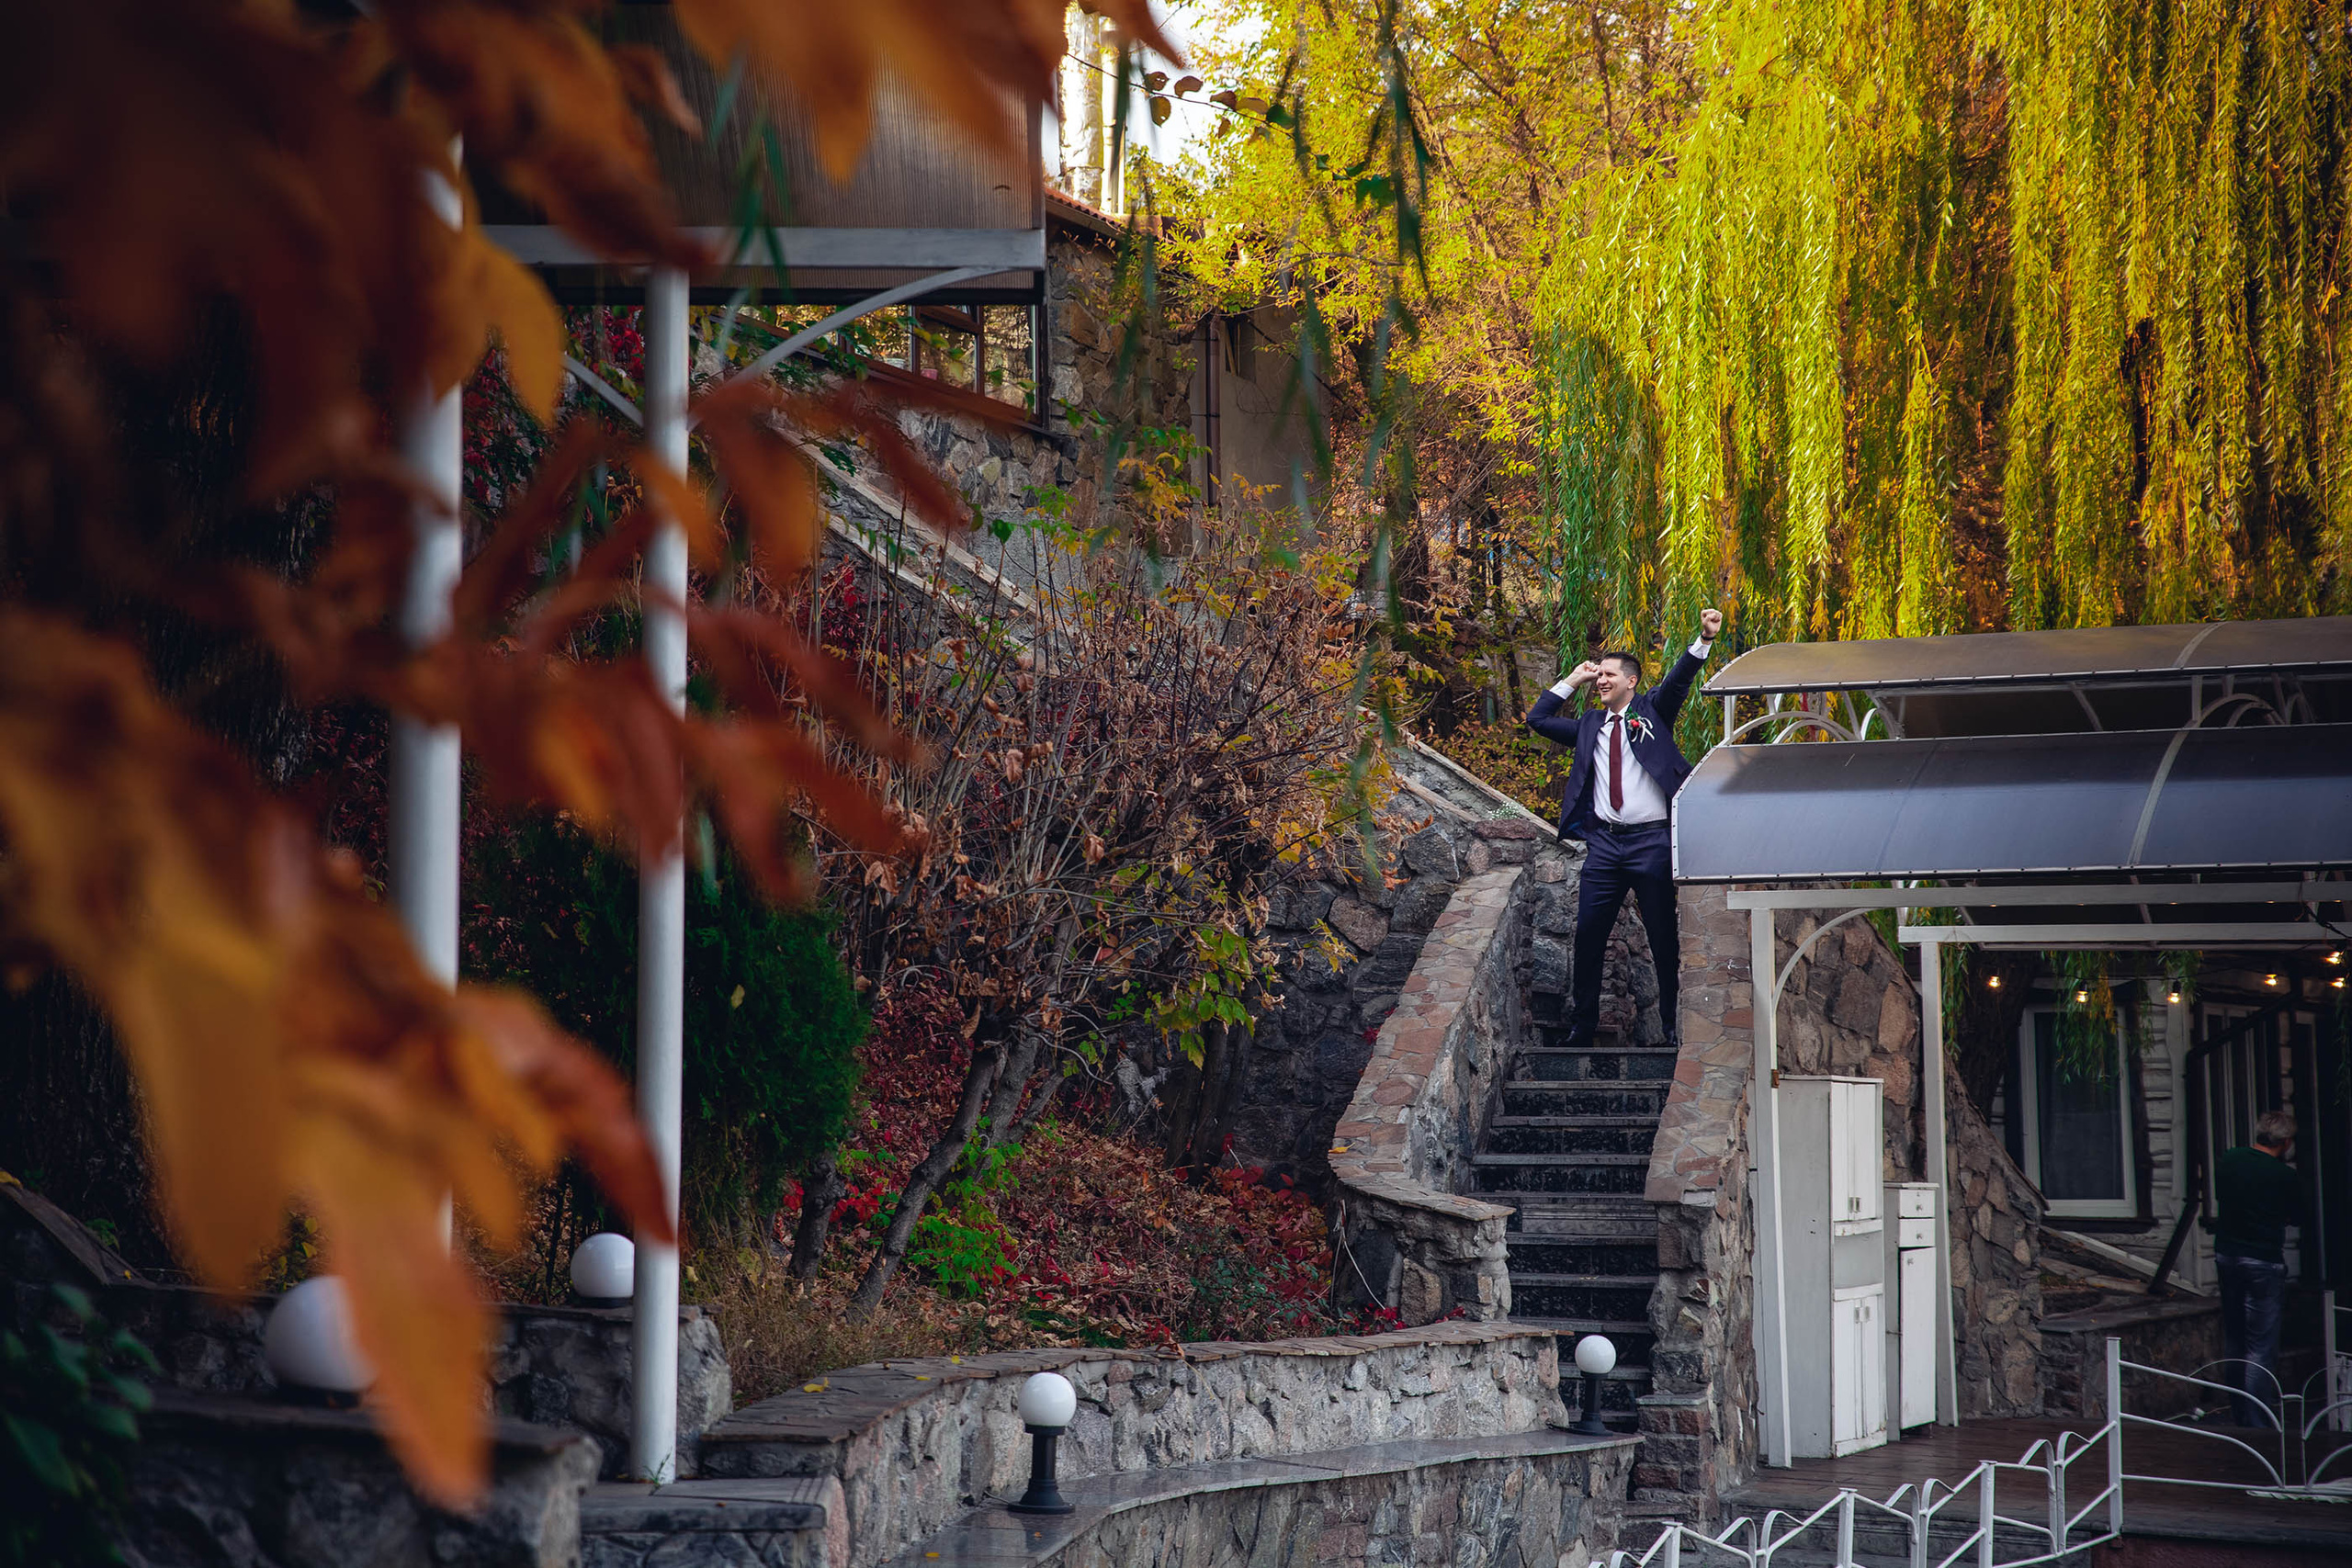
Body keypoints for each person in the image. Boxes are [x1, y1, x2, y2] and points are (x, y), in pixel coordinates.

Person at [1525, 609, 1723, 1048]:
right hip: (1604, 846)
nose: (1601, 680)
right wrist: (1573, 678)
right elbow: (1537, 720)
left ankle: (1671, 1026)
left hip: (1652, 842)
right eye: (1598, 675)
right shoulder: (1589, 726)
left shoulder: (1652, 711)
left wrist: (1704, 640)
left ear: (1631, 681)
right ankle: (1583, 1026)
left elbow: (1679, 682)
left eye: (1608, 674)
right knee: (1588, 936)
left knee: (1662, 939)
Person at [2213, 1109, 2303, 1427]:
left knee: (2235, 1338)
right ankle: (2257, 1423)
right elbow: (2296, 1215)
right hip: (2263, 1260)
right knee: (2260, 1346)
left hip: (2227, 1255)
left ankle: (2239, 1413)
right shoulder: (2284, 1176)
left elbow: (2222, 1196)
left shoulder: (2230, 1159)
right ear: (2286, 1142)